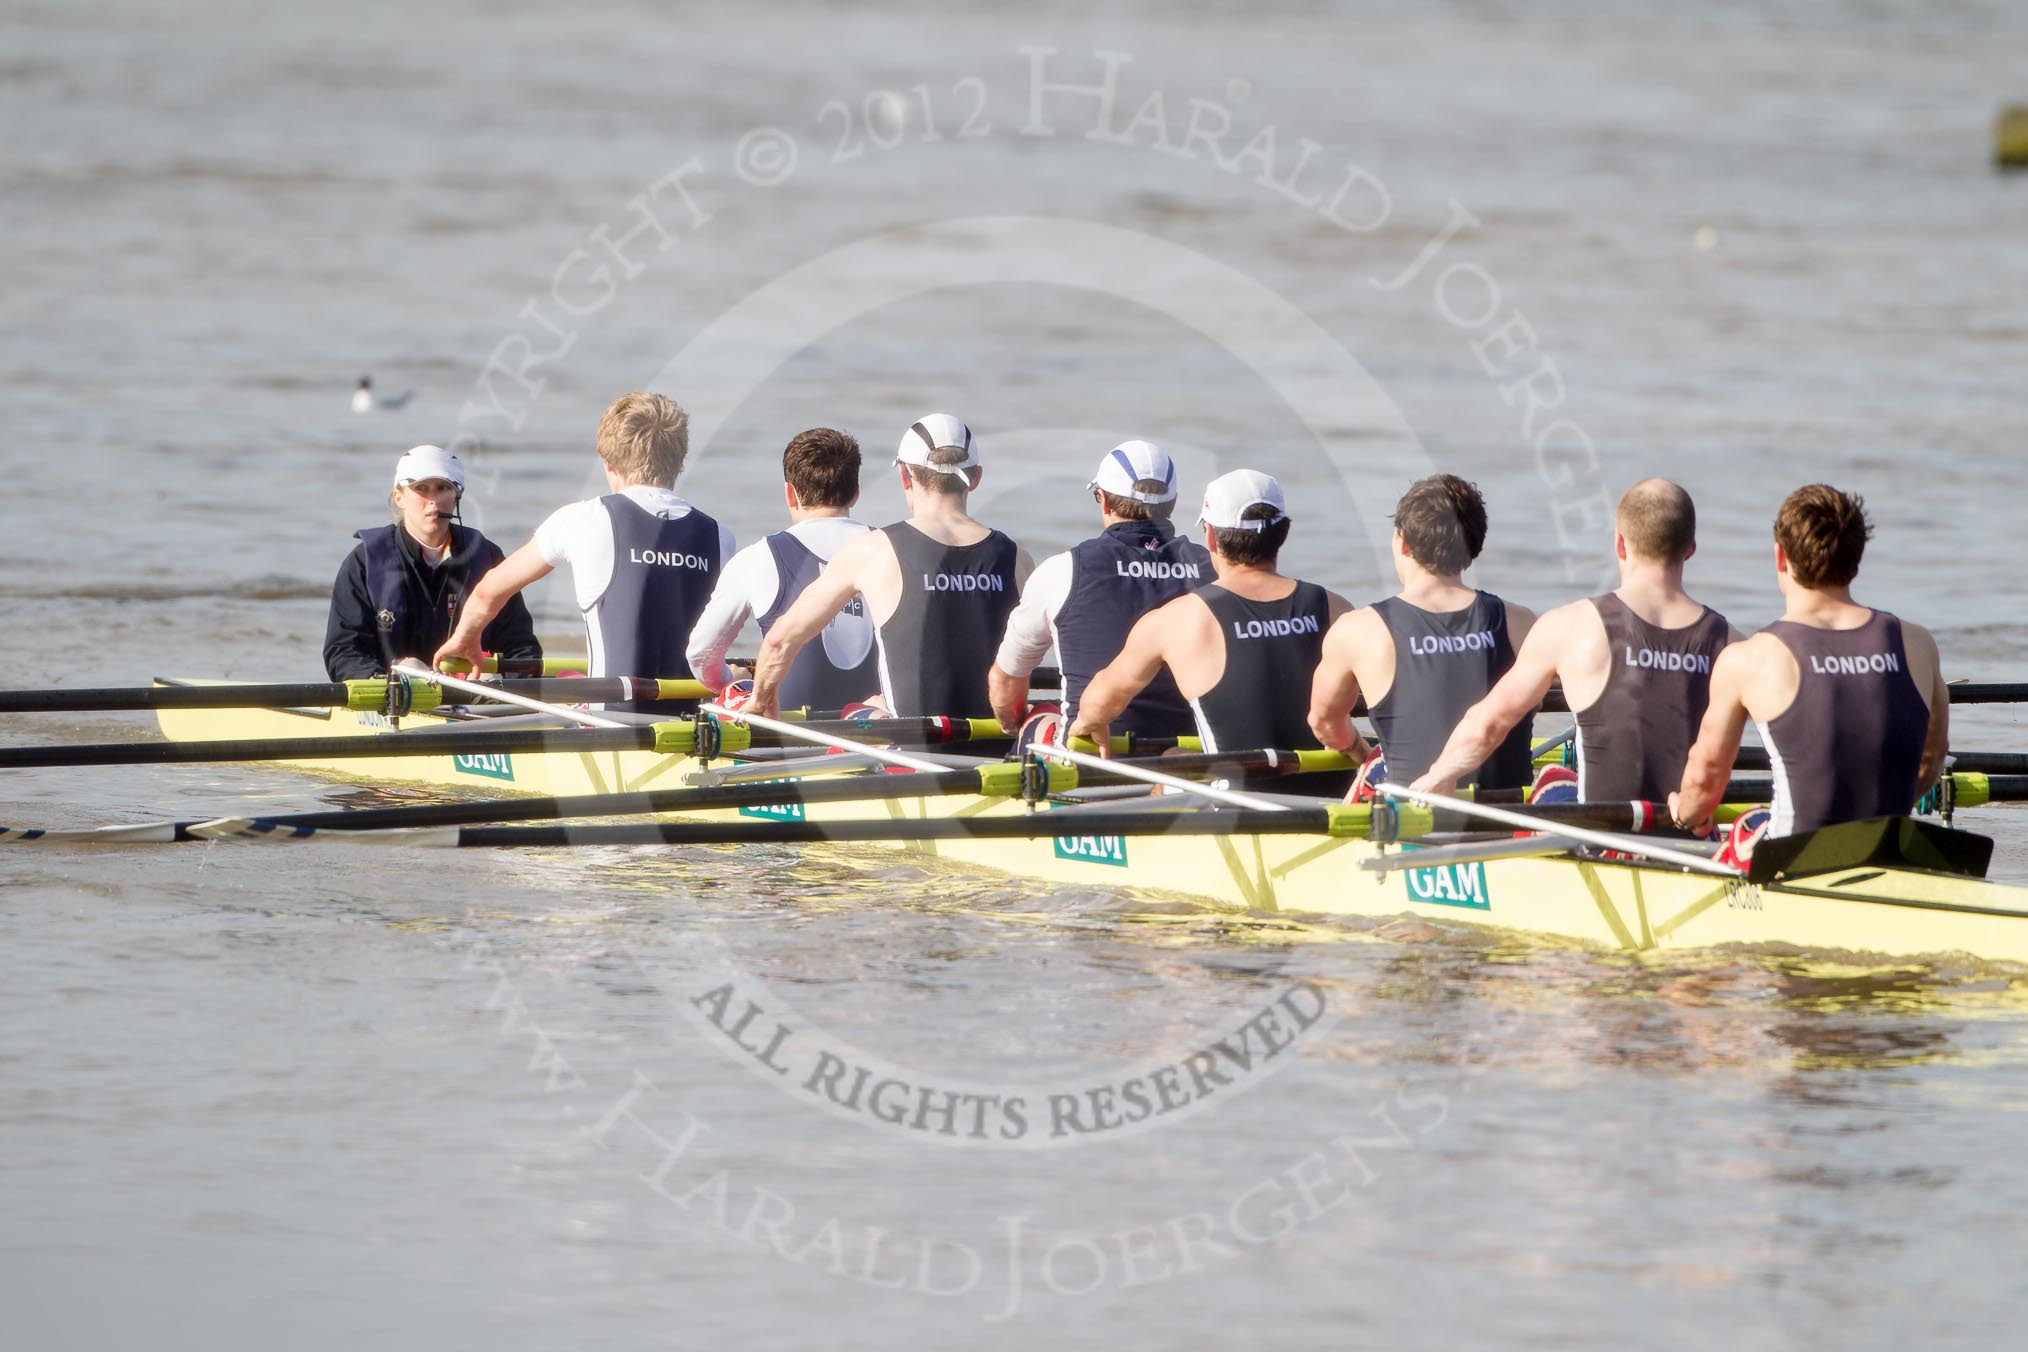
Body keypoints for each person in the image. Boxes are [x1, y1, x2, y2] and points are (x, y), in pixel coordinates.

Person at [1409, 479, 1740, 798]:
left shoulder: (1570, 628)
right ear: (1691, 548)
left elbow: (1489, 723)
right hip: (1694, 839)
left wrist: (1437, 776)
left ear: (1620, 544)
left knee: (1554, 780)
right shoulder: (1733, 646)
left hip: (1597, 840)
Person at [1670, 484, 1947, 838]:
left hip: (1792, 864)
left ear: (1780, 557)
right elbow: (1931, 760)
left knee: (1743, 828)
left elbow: (1704, 779)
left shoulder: (1749, 659)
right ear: (1856, 558)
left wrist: (1685, 814)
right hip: (1888, 851)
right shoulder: (1918, 644)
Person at [434, 392, 733, 708]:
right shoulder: (720, 537)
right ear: (680, 460)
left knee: (565, 686)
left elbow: (488, 592)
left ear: (608, 464)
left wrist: (465, 638)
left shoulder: (583, 519)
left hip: (608, 726)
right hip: (695, 732)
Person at [748, 414, 1032, 719]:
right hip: (997, 752)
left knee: (863, 711)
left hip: (911, 756)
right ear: (975, 478)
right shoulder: (1018, 559)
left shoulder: (874, 550)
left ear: (905, 476)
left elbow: (780, 639)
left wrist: (762, 699)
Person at [1067, 469, 1352, 753]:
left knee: (1174, 758)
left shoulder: (1176, 620)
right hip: (1331, 791)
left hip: (1235, 795)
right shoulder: (1336, 609)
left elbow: (1100, 701)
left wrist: (1086, 724)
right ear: (1284, 532)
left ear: (1211, 536)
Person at [1306, 474, 1536, 790]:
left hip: (1413, 824)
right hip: (1512, 825)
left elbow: (1324, 723)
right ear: (1475, 544)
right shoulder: (1523, 624)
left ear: (1402, 543)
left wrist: (1364, 756)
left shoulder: (1358, 631)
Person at [989, 440, 1212, 736]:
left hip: (1092, 760)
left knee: (1041, 719)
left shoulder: (1062, 569)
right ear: (1171, 504)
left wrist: (1012, 725)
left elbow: (1005, 685)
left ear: (1103, 500)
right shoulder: (1215, 571)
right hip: (1191, 760)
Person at [684, 427, 876, 710]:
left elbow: (701, 654)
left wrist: (730, 680)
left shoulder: (758, 557)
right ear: (856, 493)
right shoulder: (892, 551)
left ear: (790, 494)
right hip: (880, 734)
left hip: (788, 737)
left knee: (735, 690)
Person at [323, 444, 540, 680]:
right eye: (421, 488)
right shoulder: (364, 562)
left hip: (474, 696)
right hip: (395, 697)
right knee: (413, 669)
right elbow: (343, 651)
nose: (433, 500)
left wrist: (514, 684)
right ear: (399, 497)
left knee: (489, 679)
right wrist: (385, 685)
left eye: (443, 488)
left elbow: (521, 647)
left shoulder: (486, 557)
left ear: (456, 497)